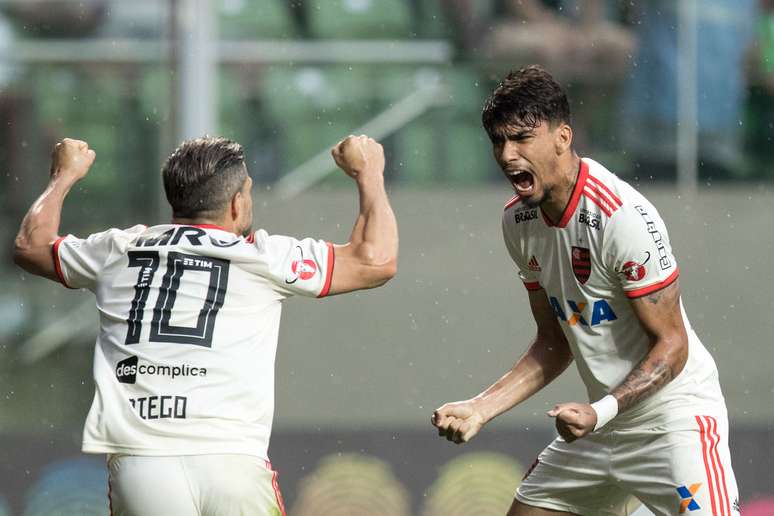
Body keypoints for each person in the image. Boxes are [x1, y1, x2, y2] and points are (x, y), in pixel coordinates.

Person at [13, 134, 398, 516]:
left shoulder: (118, 250)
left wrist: (63, 177)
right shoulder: (263, 257)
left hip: (142, 465)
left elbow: (31, 247)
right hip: (231, 460)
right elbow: (375, 262)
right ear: (236, 202)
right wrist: (370, 174)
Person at [431, 66, 739, 516]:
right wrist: (480, 408)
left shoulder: (622, 216)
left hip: (672, 422)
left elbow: (674, 346)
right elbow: (555, 342)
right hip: (597, 427)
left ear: (563, 137)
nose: (507, 154)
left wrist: (604, 411)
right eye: (499, 141)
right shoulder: (518, 222)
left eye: (521, 138)